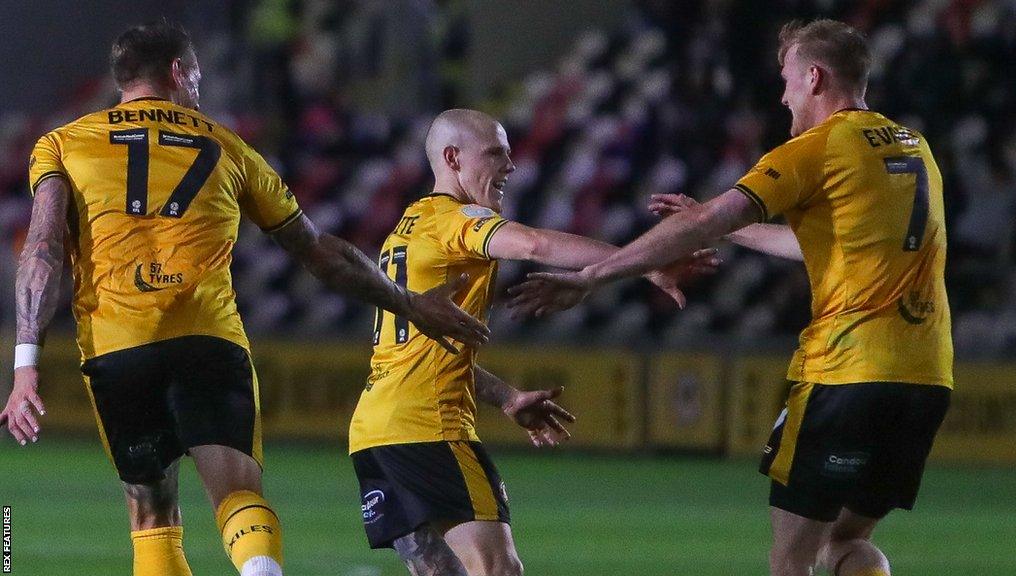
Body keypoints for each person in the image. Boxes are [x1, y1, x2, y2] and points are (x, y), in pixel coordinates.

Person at [0, 21, 489, 576]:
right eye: (198, 74)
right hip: (209, 338)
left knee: (151, 513)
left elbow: (40, 249)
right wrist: (410, 303)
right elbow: (319, 251)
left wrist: (25, 366)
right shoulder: (228, 146)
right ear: (179, 72)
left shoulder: (63, 143)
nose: (200, 86)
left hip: (118, 345)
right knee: (236, 493)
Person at [511, 19, 953, 576]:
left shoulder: (814, 148)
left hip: (847, 372)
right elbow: (822, 243)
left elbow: (711, 217)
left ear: (814, 78)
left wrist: (594, 275)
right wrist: (722, 229)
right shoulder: (914, 148)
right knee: (844, 545)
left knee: (792, 558)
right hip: (926, 379)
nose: (782, 93)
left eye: (787, 78)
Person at [348, 108, 717, 576]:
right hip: (430, 427)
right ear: (452, 158)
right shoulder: (456, 220)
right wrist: (646, 265)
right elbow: (533, 246)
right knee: (499, 570)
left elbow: (423, 351)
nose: (511, 166)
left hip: (375, 433)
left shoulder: (407, 228)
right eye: (495, 154)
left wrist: (506, 396)